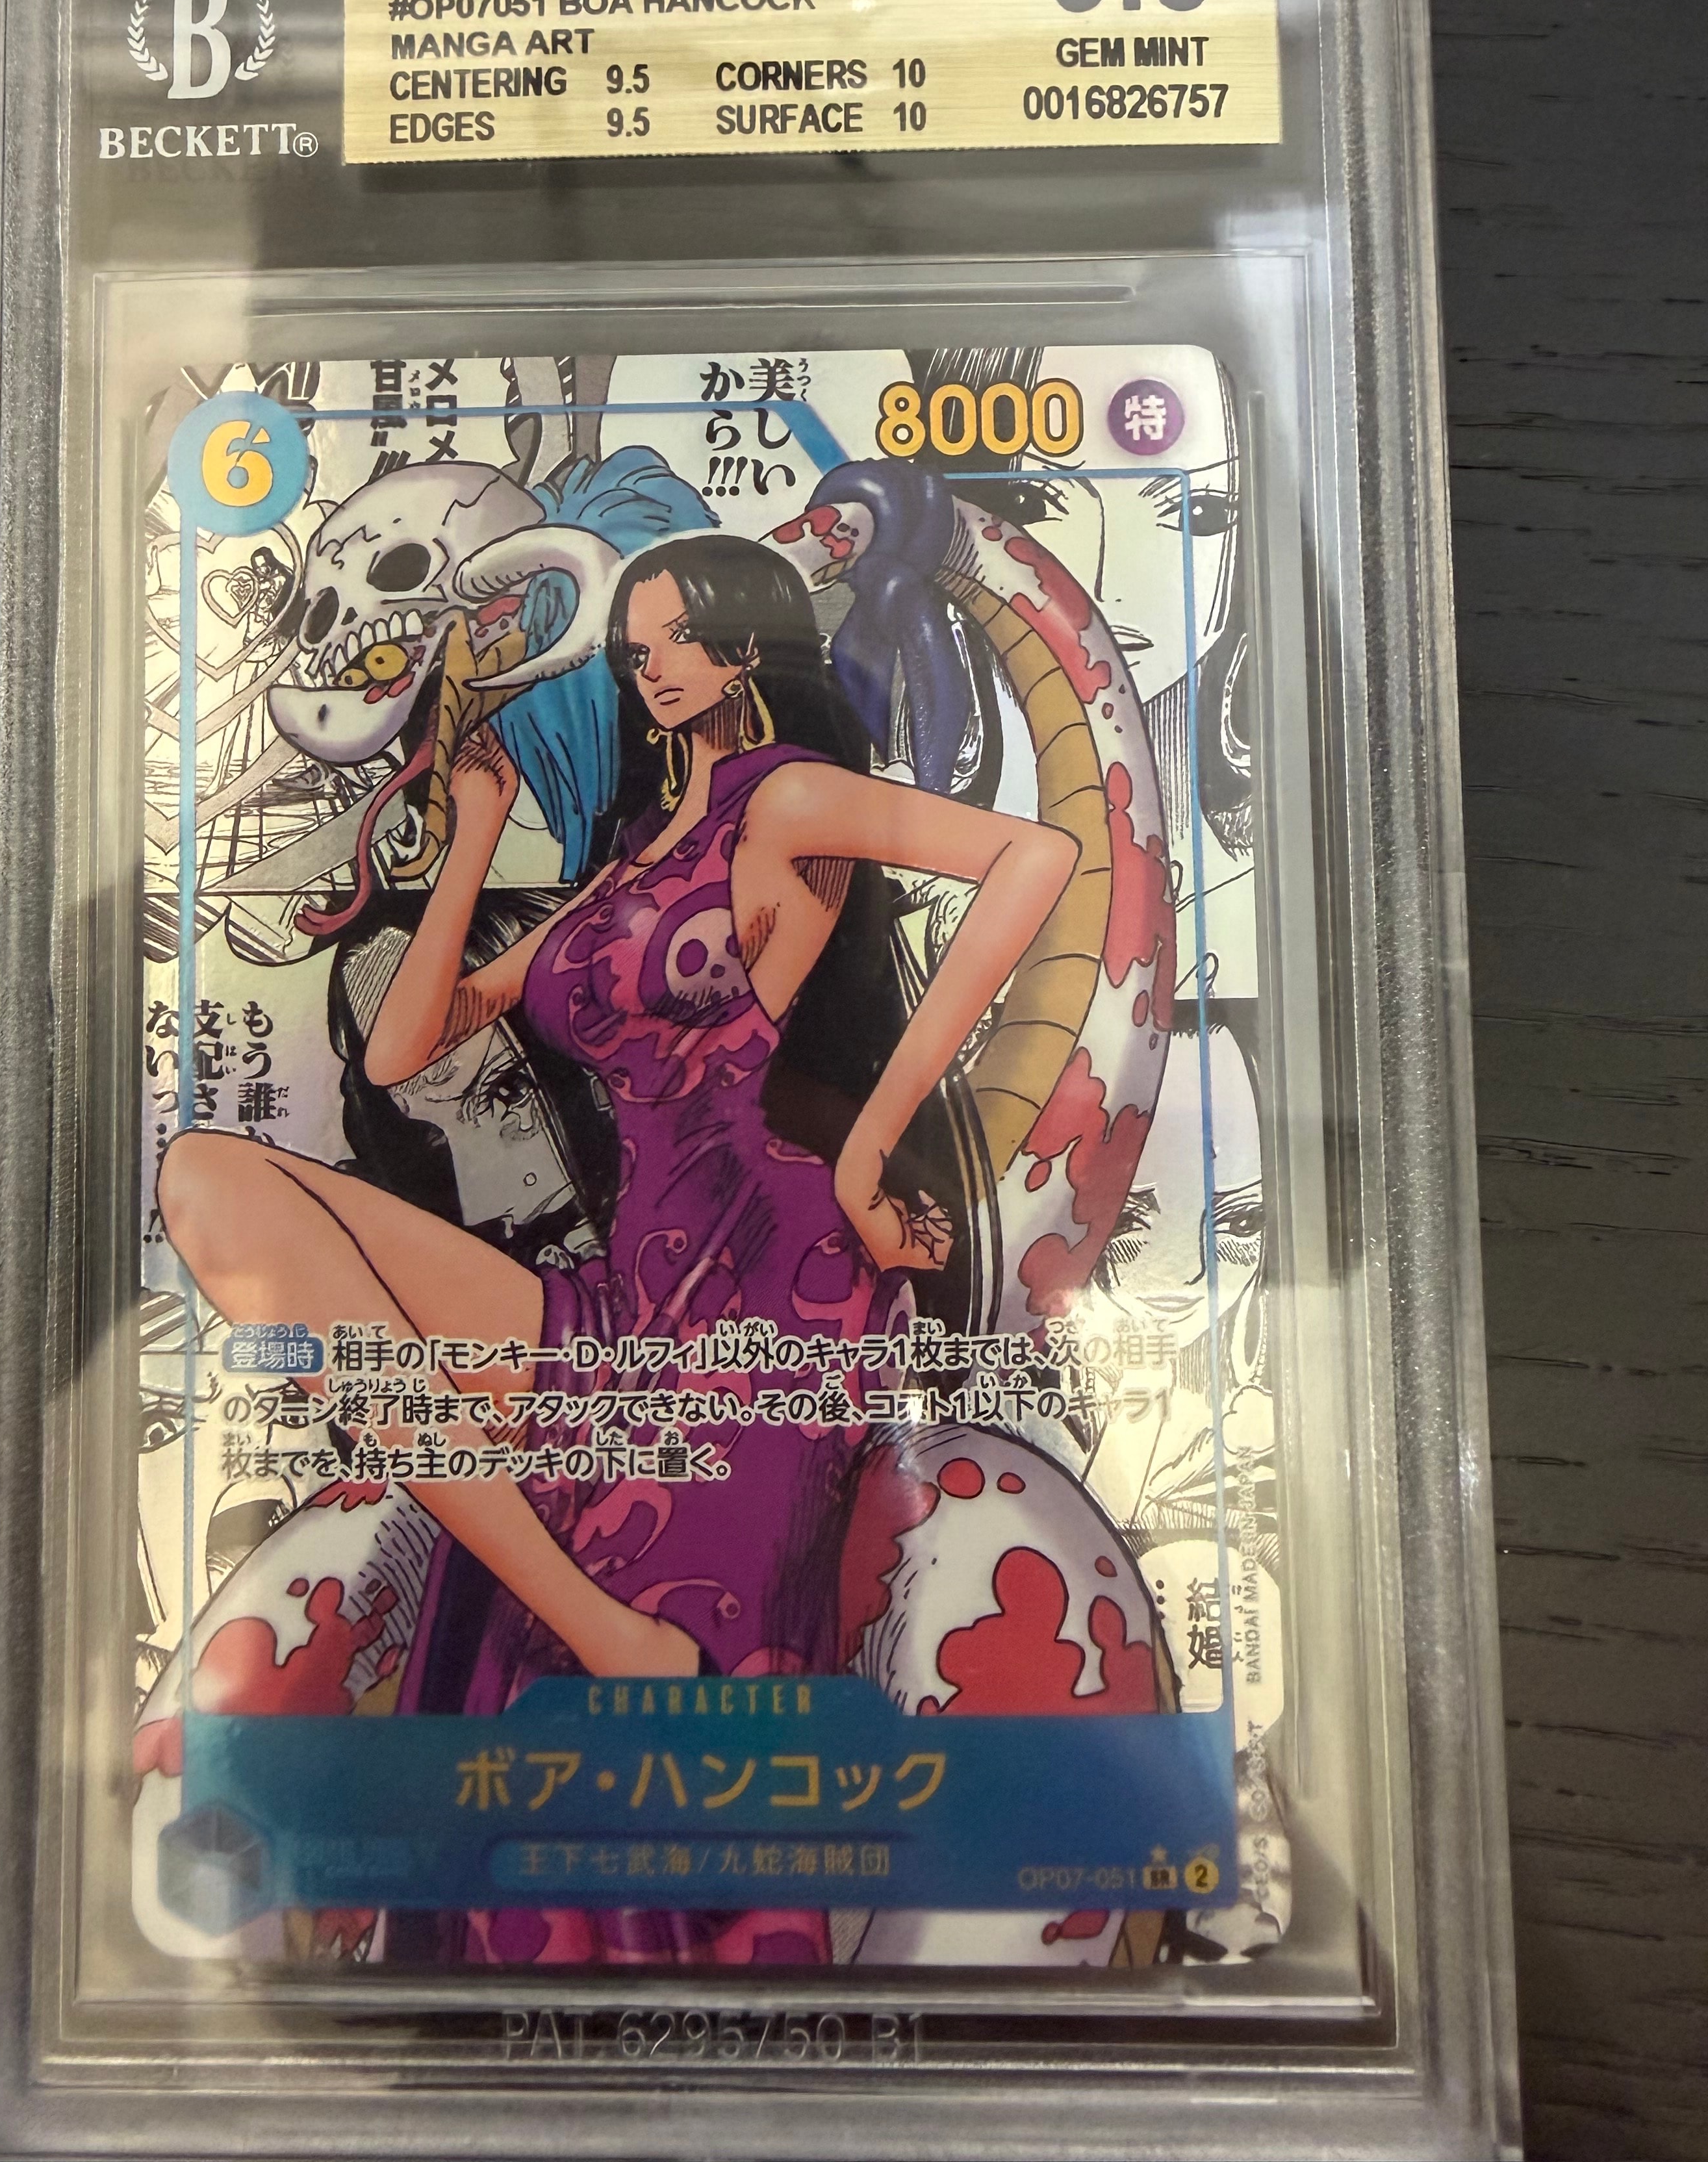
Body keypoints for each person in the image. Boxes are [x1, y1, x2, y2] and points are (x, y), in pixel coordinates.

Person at [157, 533, 1078, 1953]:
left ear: (746, 645)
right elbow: (406, 1048)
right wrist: (478, 825)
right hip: (624, 1297)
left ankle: (617, 1653)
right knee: (211, 1182)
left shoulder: (786, 797)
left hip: (765, 1290)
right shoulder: (632, 857)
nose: (651, 669)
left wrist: (864, 1153)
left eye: (675, 641)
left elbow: (1036, 855)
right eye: (634, 649)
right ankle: (602, 1632)